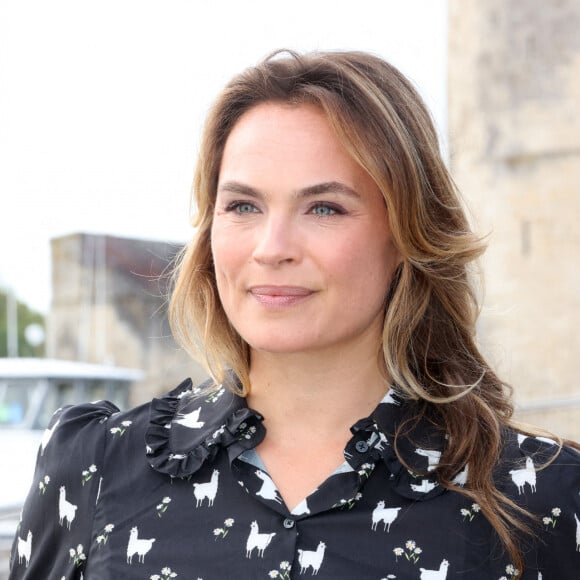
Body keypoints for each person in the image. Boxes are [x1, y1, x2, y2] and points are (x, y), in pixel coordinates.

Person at [10, 50, 580, 579]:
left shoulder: (542, 500)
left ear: (407, 233)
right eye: (243, 206)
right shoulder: (94, 467)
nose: (271, 246)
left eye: (324, 207)